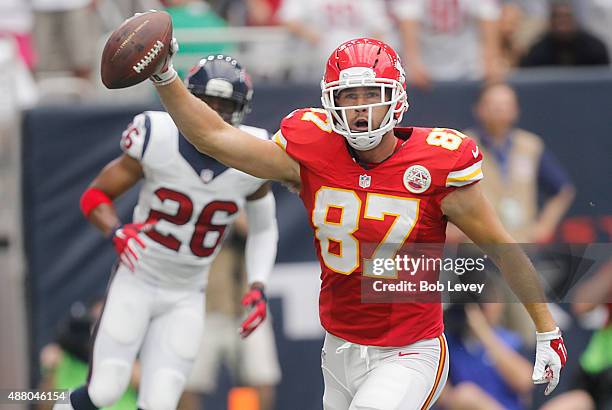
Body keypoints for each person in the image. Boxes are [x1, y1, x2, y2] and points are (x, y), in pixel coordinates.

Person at [145, 36, 566, 409]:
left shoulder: (439, 162)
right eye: (349, 95)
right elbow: (214, 138)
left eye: (372, 93)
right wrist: (165, 75)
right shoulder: (310, 149)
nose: (361, 107)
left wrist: (546, 330)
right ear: (330, 101)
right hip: (339, 347)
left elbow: (502, 247)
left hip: (410, 349)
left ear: (396, 97)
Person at [55, 55, 278, 410]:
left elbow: (265, 227)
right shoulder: (156, 135)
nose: (214, 115)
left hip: (188, 293)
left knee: (162, 400)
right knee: (105, 390)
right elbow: (95, 196)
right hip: (138, 278)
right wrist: (116, 232)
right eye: (206, 103)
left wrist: (258, 285)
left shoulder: (253, 156)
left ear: (242, 111)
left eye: (225, 106)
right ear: (188, 100)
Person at [182, 215, 281, 410]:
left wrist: (234, 213)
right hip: (204, 305)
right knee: (187, 383)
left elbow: (262, 232)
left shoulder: (248, 193)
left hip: (246, 305)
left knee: (260, 379)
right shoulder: (194, 197)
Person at [390, 0, 504, 89]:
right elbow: (407, 17)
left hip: (470, 64)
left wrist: (491, 60)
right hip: (426, 63)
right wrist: (413, 62)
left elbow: (488, 14)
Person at [520, 0, 610, 67]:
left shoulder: (595, 48)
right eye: (557, 17)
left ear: (574, 19)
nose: (562, 22)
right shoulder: (538, 51)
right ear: (551, 21)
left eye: (566, 16)